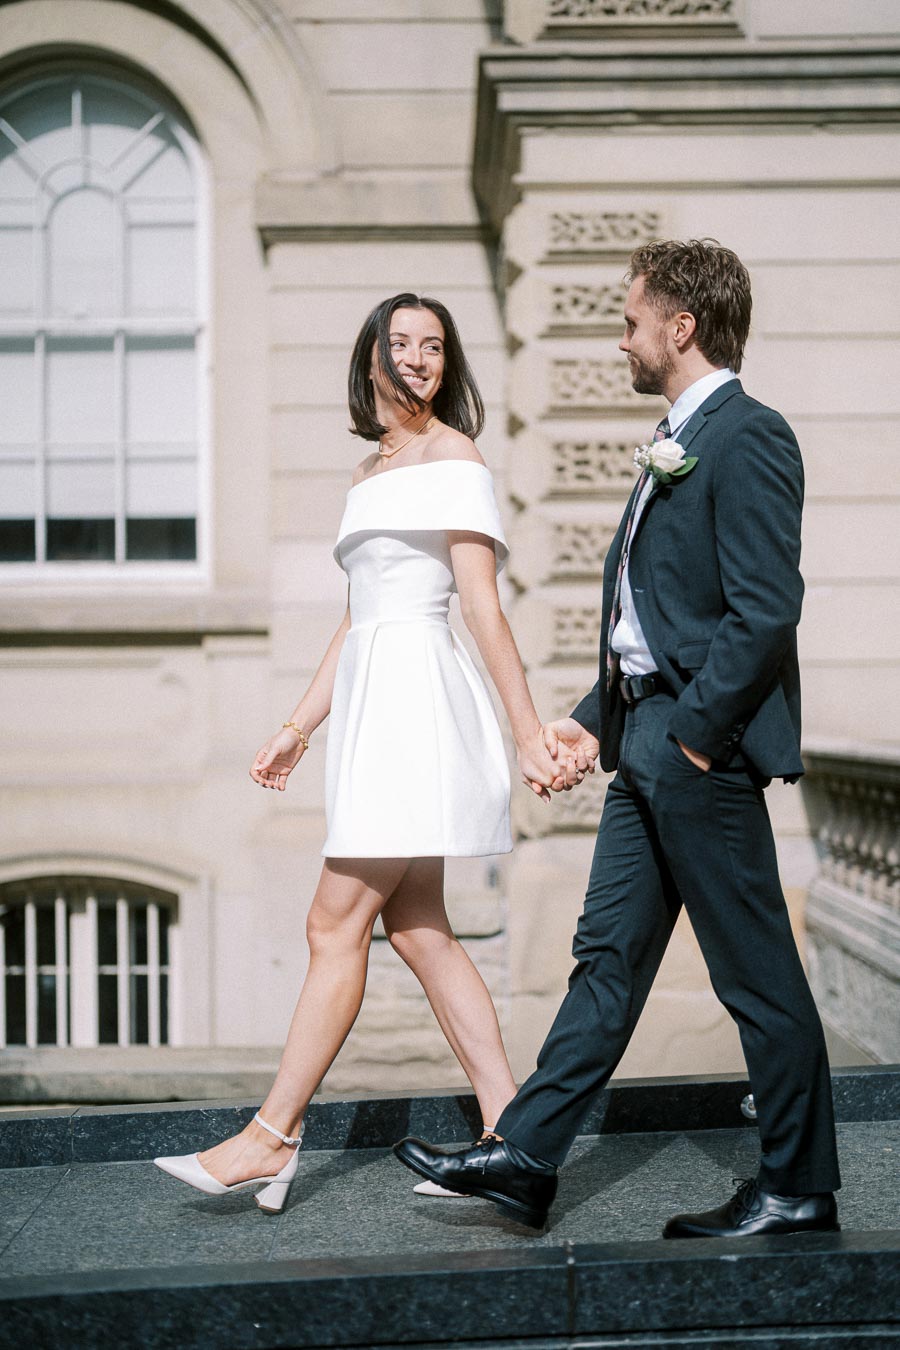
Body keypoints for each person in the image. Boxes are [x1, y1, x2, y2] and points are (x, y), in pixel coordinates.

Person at [394, 240, 842, 1238]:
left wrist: (690, 738)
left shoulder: (749, 435)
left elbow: (765, 612)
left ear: (682, 327)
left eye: (632, 319)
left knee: (756, 974)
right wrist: (591, 724)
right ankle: (527, 1157)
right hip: (644, 747)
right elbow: (657, 620)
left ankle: (800, 1187)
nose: (622, 337)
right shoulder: (676, 435)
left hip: (699, 759)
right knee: (606, 956)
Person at [155, 293, 579, 1213]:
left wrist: (525, 734)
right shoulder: (366, 472)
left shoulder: (454, 455)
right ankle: (518, 1143)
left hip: (420, 705)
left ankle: (270, 1138)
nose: (421, 358)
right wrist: (298, 725)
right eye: (404, 343)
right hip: (374, 703)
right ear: (373, 357)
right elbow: (358, 621)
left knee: (330, 924)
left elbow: (481, 605)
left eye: (436, 346)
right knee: (416, 926)